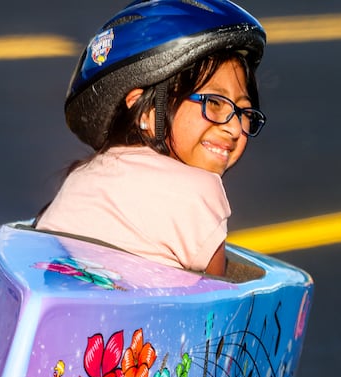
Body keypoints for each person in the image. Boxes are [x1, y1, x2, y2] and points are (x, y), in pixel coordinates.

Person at [35, 0, 267, 277]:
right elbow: (220, 301)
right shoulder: (200, 191)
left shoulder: (83, 175)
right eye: (214, 103)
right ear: (147, 112)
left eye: (243, 111)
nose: (233, 128)